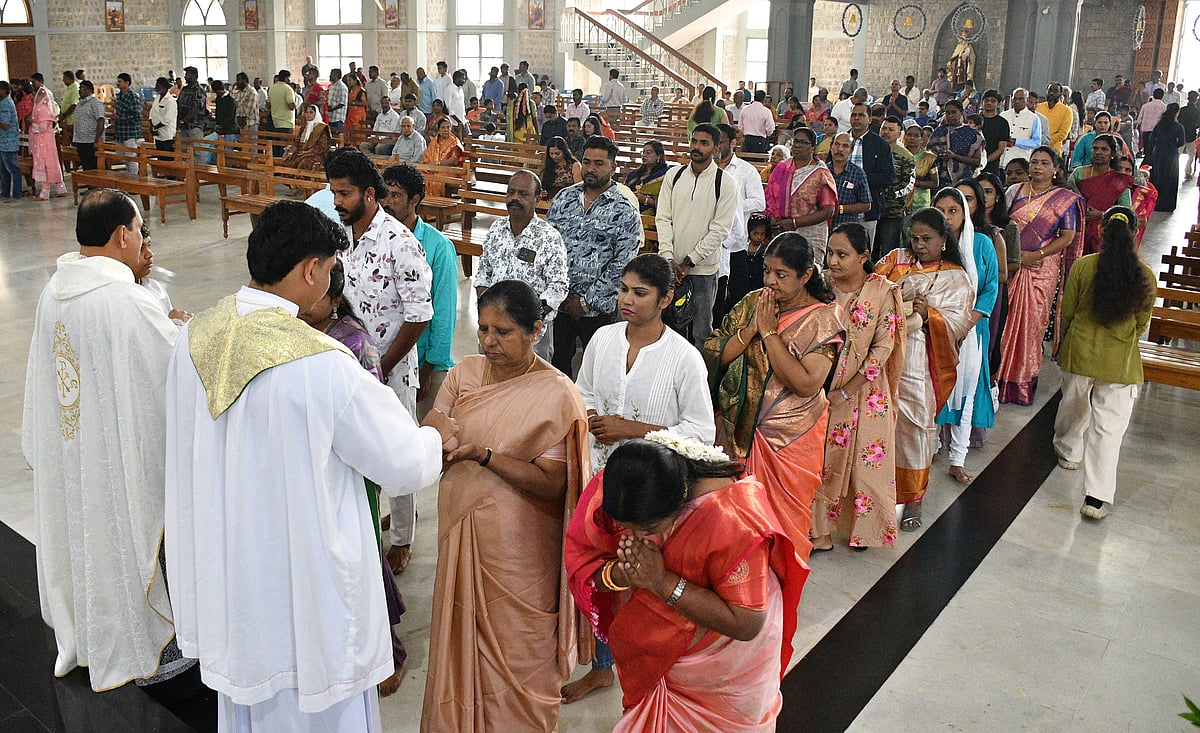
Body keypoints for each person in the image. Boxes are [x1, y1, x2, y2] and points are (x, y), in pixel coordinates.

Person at [165, 199, 455, 728]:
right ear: (310, 269)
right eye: (326, 270)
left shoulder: (194, 338)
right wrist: (436, 433)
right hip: (305, 598)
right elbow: (404, 464)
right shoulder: (322, 364)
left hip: (233, 583)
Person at [23, 188, 196, 692]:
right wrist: (186, 333)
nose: (143, 240)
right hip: (113, 452)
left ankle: (90, 637)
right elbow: (174, 370)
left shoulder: (53, 289)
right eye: (140, 231)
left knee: (84, 537)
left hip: (73, 448)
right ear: (123, 235)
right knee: (122, 532)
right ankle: (143, 644)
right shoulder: (123, 301)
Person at [419, 279, 590, 731]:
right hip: (461, 530)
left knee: (522, 650)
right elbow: (435, 425)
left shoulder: (556, 393)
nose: (489, 342)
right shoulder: (464, 374)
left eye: (503, 332)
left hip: (520, 549)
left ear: (536, 329)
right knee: (462, 642)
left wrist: (485, 456)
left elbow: (554, 485)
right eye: (484, 329)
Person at [563, 435, 806, 731]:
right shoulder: (628, 484)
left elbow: (747, 623)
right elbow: (588, 560)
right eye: (627, 528)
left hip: (724, 667)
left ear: (678, 501)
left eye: (648, 528)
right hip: (660, 659)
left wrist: (661, 581)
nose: (636, 536)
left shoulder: (734, 517)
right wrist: (621, 574)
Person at [563, 255, 715, 703]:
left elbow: (701, 432)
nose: (627, 300)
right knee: (602, 576)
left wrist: (631, 429)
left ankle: (650, 671)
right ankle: (602, 665)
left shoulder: (683, 358)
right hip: (600, 479)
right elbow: (583, 390)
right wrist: (589, 416)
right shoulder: (603, 339)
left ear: (667, 298)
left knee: (639, 582)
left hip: (653, 495)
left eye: (640, 293)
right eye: (623, 290)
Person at [295, 259, 409, 695]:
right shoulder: (303, 331)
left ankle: (392, 651)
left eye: (316, 299)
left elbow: (371, 414)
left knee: (361, 552)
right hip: (319, 462)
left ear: (336, 299)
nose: (305, 307)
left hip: (354, 465)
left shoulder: (354, 343)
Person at [704, 233, 843, 557]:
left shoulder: (822, 320)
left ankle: (779, 591)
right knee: (733, 522)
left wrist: (768, 333)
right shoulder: (756, 302)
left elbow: (807, 384)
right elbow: (715, 354)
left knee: (783, 528)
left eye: (781, 275)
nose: (770, 281)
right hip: (738, 430)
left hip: (790, 438)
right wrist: (751, 329)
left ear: (806, 275)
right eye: (767, 271)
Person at [874, 207, 975, 530]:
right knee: (878, 424)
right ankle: (874, 495)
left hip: (921, 360)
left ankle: (913, 498)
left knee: (916, 429)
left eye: (927, 239)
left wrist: (928, 314)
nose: (919, 245)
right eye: (915, 238)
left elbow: (959, 323)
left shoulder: (956, 276)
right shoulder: (894, 261)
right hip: (883, 355)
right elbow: (869, 291)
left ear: (944, 240)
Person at [1052, 206, 1155, 520]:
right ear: (1135, 233)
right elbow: (1141, 325)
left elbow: (1067, 311)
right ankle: (1096, 498)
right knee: (1108, 430)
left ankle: (1069, 451)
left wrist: (1063, 343)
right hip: (1120, 362)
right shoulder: (1145, 275)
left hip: (1080, 352)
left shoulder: (1084, 267)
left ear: (1101, 231)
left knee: (1072, 407)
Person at [812, 223, 904, 551]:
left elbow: (883, 346)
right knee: (825, 462)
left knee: (867, 466)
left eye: (842, 254)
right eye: (830, 253)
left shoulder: (882, 290)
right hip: (822, 386)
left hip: (867, 389)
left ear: (864, 256)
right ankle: (819, 533)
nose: (833, 261)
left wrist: (849, 389)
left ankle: (864, 531)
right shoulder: (820, 285)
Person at [547, 136, 642, 377]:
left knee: (598, 370)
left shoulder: (624, 210)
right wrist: (560, 294)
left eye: (599, 163)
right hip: (560, 304)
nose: (591, 168)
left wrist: (585, 302)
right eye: (587, 161)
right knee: (557, 366)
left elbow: (623, 264)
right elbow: (550, 245)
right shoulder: (564, 199)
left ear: (613, 167)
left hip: (597, 310)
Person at [996, 146, 1083, 406]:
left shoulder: (1065, 199)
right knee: (1005, 320)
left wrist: (1039, 254)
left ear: (1056, 168)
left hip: (1040, 269)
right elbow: (1003, 225)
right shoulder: (1014, 191)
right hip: (1012, 263)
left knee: (1031, 324)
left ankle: (1020, 382)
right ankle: (997, 379)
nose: (1038, 167)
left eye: (1045, 163)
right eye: (1034, 162)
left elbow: (1067, 237)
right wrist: (1016, 255)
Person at [380, 163, 458, 418]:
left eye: (395, 195)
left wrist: (428, 368)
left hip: (425, 360)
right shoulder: (379, 239)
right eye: (384, 194)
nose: (386, 202)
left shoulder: (438, 246)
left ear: (414, 200)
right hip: (386, 357)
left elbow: (444, 313)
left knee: (424, 434)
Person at [933, 184, 998, 484]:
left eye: (953, 211)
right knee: (932, 389)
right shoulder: (930, 245)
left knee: (967, 389)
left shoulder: (982, 244)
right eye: (941, 211)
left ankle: (958, 458)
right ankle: (931, 445)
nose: (947, 217)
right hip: (934, 329)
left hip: (970, 331)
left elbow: (990, 288)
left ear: (966, 213)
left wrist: (965, 325)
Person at [656, 123, 737, 348]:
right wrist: (668, 257)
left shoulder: (725, 183)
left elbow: (720, 230)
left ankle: (701, 380)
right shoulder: (674, 175)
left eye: (704, 143)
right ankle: (670, 378)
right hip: (672, 268)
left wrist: (690, 260)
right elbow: (663, 218)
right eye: (694, 141)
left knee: (702, 331)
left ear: (715, 148)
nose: (697, 147)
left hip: (703, 270)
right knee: (670, 329)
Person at [475, 170, 569, 361]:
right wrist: (488, 310)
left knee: (532, 388)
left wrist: (526, 319)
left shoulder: (549, 237)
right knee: (492, 386)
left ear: (538, 199)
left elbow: (558, 286)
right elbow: (484, 272)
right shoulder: (496, 229)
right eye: (511, 192)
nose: (515, 198)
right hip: (493, 331)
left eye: (523, 194)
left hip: (532, 335)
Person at [764, 127, 838, 263]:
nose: (797, 145)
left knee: (809, 275)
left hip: (811, 233)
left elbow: (828, 210)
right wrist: (772, 216)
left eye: (803, 142)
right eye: (795, 141)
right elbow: (770, 196)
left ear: (813, 148)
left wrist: (794, 223)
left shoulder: (821, 173)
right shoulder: (782, 167)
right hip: (782, 230)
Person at [975, 172, 1020, 380]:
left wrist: (984, 273)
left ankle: (988, 386)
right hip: (966, 292)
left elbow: (1014, 263)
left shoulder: (1007, 227)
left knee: (989, 343)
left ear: (998, 197)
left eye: (989, 192)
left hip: (993, 292)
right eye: (979, 192)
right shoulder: (962, 224)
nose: (984, 197)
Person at [1071, 134, 1133, 256]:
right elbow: (1066, 198)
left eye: (1104, 149)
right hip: (1076, 229)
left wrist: (1101, 214)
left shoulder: (1119, 180)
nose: (1098, 152)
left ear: (1113, 154)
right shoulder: (1079, 173)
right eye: (1095, 148)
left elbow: (1126, 211)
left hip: (1105, 234)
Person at [846, 101, 897, 241]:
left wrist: (860, 179)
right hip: (841, 209)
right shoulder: (841, 141)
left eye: (861, 115)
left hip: (867, 209)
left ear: (869, 119)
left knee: (864, 251)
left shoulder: (880, 145)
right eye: (853, 115)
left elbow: (888, 176)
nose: (856, 118)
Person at [876, 116, 917, 257]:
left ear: (899, 134)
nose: (886, 132)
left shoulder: (906, 156)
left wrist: (889, 194)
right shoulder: (874, 151)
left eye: (891, 129)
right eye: (884, 128)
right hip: (873, 210)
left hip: (893, 212)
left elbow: (909, 184)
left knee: (889, 250)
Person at [28, 75, 67, 199]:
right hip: (43, 140)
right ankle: (60, 187)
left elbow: (43, 127)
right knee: (48, 163)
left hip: (44, 141)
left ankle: (45, 192)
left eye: (38, 94)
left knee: (47, 163)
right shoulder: (38, 107)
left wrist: (32, 124)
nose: (36, 97)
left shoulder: (44, 109)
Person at [927, 100, 983, 186]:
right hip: (941, 181)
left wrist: (954, 156)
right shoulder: (939, 132)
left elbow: (977, 161)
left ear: (961, 112)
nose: (950, 116)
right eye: (947, 113)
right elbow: (928, 157)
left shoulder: (972, 133)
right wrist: (940, 156)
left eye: (953, 112)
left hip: (964, 180)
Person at [828, 132, 872, 234]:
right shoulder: (822, 171)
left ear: (851, 151)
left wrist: (840, 209)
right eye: (837, 144)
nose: (840, 149)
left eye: (845, 146)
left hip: (847, 230)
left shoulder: (858, 173)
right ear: (831, 147)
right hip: (823, 229)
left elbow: (866, 205)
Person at [1147, 102, 1185, 212]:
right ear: (1177, 113)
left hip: (1158, 152)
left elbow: (1151, 140)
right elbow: (1181, 142)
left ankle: (1154, 202)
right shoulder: (1178, 127)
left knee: (1157, 176)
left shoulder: (1159, 125)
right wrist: (1172, 145)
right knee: (1170, 178)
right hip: (1171, 154)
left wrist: (1160, 144)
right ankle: (1166, 204)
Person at [1115, 155, 1156, 245]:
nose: (1123, 172)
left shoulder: (1138, 192)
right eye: (1119, 168)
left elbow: (1141, 222)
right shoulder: (1106, 186)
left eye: (1128, 170)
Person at [421, 117, 466, 196]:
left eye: (448, 127)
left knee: (435, 181)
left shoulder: (454, 141)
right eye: (443, 127)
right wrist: (431, 166)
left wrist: (438, 165)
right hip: (433, 169)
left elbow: (454, 160)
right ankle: (425, 204)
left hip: (448, 170)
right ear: (438, 130)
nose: (446, 129)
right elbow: (427, 156)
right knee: (421, 178)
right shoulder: (434, 141)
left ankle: (437, 205)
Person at [281, 104, 331, 170]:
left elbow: (322, 146)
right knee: (289, 159)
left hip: (316, 154)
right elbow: (298, 140)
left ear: (316, 114)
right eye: (307, 112)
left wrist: (308, 152)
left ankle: (300, 179)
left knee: (303, 163)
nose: (308, 114)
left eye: (311, 112)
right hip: (301, 151)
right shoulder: (304, 125)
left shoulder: (321, 128)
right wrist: (295, 148)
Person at [1001, 88, 1043, 167]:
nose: (1017, 101)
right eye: (1015, 99)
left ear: (1026, 100)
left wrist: (1016, 142)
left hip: (1020, 162)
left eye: (1020, 99)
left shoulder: (1033, 118)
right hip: (1001, 160)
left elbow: (1037, 142)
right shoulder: (1003, 115)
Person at [624, 140, 669, 214]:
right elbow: (624, 193)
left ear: (659, 156)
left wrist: (646, 200)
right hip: (630, 212)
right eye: (643, 152)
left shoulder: (665, 175)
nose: (644, 155)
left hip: (653, 216)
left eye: (648, 152)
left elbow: (668, 203)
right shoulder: (634, 174)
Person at [905, 120, 939, 212]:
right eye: (909, 135)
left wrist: (916, 183)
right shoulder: (899, 153)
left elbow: (935, 183)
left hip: (921, 201)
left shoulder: (929, 157)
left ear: (922, 139)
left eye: (916, 136)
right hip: (901, 200)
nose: (912, 138)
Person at [71, 80, 105, 171]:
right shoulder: (80, 103)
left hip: (91, 140)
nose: (80, 91)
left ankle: (96, 184)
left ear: (89, 91)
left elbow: (101, 121)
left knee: (93, 166)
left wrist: (97, 140)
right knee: (85, 165)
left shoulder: (95, 102)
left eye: (82, 88)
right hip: (81, 140)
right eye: (80, 88)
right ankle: (89, 184)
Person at [1036, 83, 1073, 156]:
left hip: (1053, 150)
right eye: (1050, 90)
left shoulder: (1067, 111)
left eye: (1055, 91)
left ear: (1060, 94)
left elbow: (1062, 134)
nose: (1051, 93)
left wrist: (1046, 142)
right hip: (1035, 147)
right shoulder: (1038, 107)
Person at [540, 135, 581, 200]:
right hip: (549, 198)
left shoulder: (574, 165)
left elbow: (578, 189)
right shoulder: (548, 164)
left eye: (557, 153)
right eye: (551, 154)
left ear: (564, 151)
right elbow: (542, 184)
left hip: (567, 198)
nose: (554, 156)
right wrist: (542, 192)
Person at [739, 89, 776, 154]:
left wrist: (746, 131)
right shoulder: (766, 111)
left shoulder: (745, 109)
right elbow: (770, 128)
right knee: (759, 160)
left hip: (747, 139)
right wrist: (767, 134)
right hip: (760, 140)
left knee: (747, 161)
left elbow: (740, 126)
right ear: (763, 99)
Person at [0, 81, 19, 200]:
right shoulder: (2, 102)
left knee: (13, 169)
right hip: (3, 142)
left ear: (3, 90)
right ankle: (5, 193)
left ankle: (16, 195)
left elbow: (5, 125)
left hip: (9, 142)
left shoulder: (6, 104)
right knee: (3, 170)